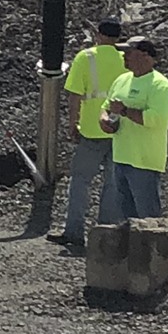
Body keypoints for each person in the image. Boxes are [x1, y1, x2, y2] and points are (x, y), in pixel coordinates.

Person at [52, 18, 127, 246]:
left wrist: (72, 123)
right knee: (113, 184)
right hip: (119, 128)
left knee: (80, 181)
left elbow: (75, 95)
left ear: (98, 34)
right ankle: (105, 233)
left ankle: (74, 232)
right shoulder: (127, 59)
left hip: (92, 128)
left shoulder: (86, 57)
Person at [99, 36, 168, 220]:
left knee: (147, 216)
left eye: (128, 53)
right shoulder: (122, 80)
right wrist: (104, 120)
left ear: (144, 55)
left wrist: (124, 111)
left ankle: (150, 249)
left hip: (144, 161)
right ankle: (129, 248)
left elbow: (155, 120)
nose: (124, 57)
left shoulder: (160, 86)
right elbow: (106, 106)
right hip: (121, 157)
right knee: (125, 217)